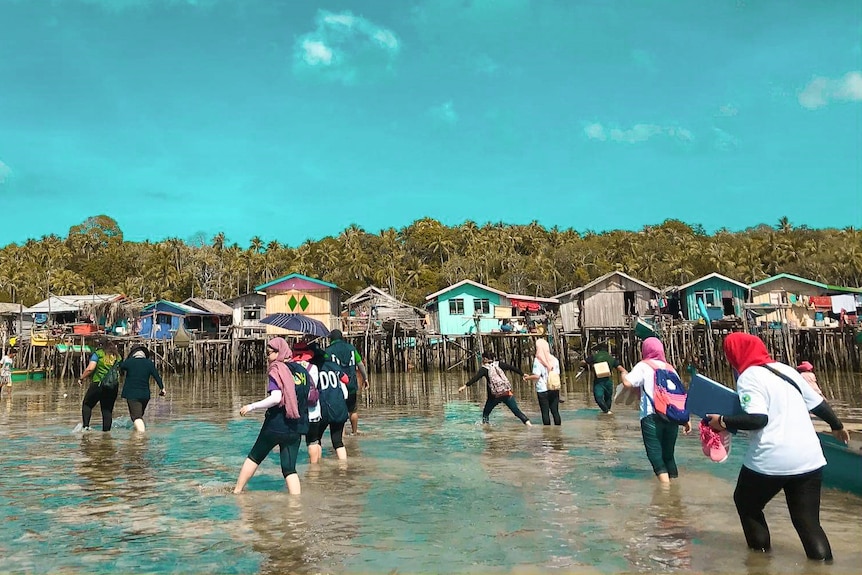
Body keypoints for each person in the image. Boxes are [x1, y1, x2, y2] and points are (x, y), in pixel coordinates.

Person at [705, 333, 849, 561]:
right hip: (809, 458)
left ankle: (760, 562)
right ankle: (823, 566)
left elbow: (758, 419)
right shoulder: (786, 370)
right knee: (808, 521)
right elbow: (818, 404)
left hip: (771, 459)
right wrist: (837, 426)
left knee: (746, 504)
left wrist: (722, 421)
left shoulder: (749, 377)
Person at [234, 337, 311, 495]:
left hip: (276, 425)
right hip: (296, 426)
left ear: (278, 352)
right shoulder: (303, 371)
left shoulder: (277, 370)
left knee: (254, 457)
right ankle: (296, 508)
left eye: (269, 353)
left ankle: (237, 492)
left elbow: (276, 398)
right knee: (289, 469)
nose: (267, 357)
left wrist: (252, 406)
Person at [622, 337, 692, 483]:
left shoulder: (643, 365)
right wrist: (686, 419)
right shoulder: (670, 368)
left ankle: (666, 492)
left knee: (655, 455)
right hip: (672, 416)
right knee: (669, 455)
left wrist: (623, 374)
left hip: (651, 416)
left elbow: (628, 383)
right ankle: (675, 489)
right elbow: (679, 394)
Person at [458, 351, 532, 427]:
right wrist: (522, 374)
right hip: (507, 393)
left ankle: (487, 430)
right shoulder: (498, 364)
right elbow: (511, 368)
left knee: (486, 414)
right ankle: (529, 425)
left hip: (494, 396)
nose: (482, 360)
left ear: (485, 359)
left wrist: (464, 386)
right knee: (516, 411)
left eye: (482, 358)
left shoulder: (484, 369)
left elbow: (475, 379)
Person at [306, 352, 350, 463]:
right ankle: (344, 466)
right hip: (339, 406)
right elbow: (346, 380)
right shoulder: (333, 365)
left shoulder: (314, 368)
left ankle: (318, 467)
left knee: (316, 439)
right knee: (337, 441)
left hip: (324, 407)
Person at [325, 329, 369, 435]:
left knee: (340, 410)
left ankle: (342, 434)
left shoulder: (328, 351)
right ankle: (354, 432)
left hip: (336, 385)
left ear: (331, 339)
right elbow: (360, 365)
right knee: (353, 410)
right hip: (351, 384)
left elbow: (323, 365)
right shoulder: (351, 349)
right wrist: (365, 378)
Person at [78, 339, 122, 432]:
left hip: (98, 383)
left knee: (87, 404)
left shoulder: (98, 353)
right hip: (113, 386)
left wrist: (81, 378)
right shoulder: (117, 356)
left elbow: (90, 368)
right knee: (107, 410)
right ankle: (106, 434)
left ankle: (85, 427)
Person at [119, 345, 165, 433]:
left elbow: (120, 365)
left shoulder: (129, 362)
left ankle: (141, 437)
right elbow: (157, 376)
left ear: (133, 353)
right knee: (139, 416)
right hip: (145, 395)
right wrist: (162, 388)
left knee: (136, 417)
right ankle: (136, 433)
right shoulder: (149, 363)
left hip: (132, 394)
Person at [523, 339, 561, 425]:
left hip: (542, 390)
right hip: (553, 388)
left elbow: (536, 376)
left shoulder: (538, 360)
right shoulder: (555, 360)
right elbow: (557, 374)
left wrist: (527, 378)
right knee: (555, 412)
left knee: (545, 412)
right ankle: (558, 432)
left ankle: (547, 434)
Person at [583, 342, 627, 414]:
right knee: (608, 398)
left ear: (598, 350)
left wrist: (588, 365)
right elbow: (621, 369)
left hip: (598, 381)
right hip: (608, 381)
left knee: (598, 398)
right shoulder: (611, 358)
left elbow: (583, 362)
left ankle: (606, 412)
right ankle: (607, 414)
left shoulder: (594, 356)